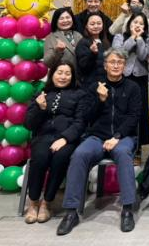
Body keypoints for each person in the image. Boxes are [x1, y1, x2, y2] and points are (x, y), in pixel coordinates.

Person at [56, 49, 141, 235]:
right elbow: (86, 116)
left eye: (120, 62)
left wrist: (117, 136)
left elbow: (134, 117)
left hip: (123, 137)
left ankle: (127, 209)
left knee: (123, 154)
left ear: (124, 65)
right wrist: (100, 100)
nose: (116, 65)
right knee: (79, 154)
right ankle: (71, 212)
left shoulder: (133, 87)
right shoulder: (94, 86)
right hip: (96, 137)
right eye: (112, 62)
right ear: (105, 65)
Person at [23, 62, 88, 224]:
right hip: (43, 137)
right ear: (52, 74)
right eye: (59, 73)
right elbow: (29, 124)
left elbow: (80, 122)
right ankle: (33, 202)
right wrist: (40, 108)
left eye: (67, 73)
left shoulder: (80, 94)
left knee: (60, 159)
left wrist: (65, 138)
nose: (63, 77)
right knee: (39, 159)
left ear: (72, 76)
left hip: (67, 139)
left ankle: (47, 203)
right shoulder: (41, 93)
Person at [112, 12, 149, 148]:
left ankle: (139, 145)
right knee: (123, 110)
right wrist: (132, 38)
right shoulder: (119, 37)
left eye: (141, 23)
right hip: (123, 76)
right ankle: (120, 140)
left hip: (140, 78)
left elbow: (143, 56)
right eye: (135, 22)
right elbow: (119, 53)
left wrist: (139, 39)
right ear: (129, 24)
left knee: (140, 111)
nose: (138, 25)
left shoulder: (147, 39)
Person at [75, 12, 110, 88]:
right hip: (90, 84)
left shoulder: (106, 42)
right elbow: (83, 66)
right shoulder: (83, 43)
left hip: (105, 82)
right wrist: (92, 53)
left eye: (99, 23)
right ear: (86, 26)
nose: (96, 26)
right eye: (92, 24)